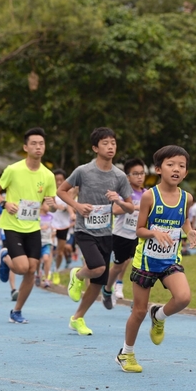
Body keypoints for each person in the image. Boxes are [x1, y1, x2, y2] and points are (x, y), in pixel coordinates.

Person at [115, 145, 196, 373]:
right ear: (159, 169)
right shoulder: (149, 196)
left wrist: (190, 232)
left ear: (186, 172)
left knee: (183, 297)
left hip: (170, 259)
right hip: (146, 261)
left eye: (181, 166)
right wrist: (154, 232)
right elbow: (139, 230)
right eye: (171, 165)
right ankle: (126, 353)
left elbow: (185, 221)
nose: (176, 169)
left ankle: (159, 315)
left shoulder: (187, 198)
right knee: (138, 311)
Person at [57, 127, 134, 336]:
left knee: (99, 282)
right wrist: (77, 206)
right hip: (84, 229)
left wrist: (117, 200)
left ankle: (77, 318)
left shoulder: (119, 176)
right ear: (95, 147)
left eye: (113, 143)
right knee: (99, 268)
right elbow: (61, 191)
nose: (110, 147)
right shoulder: (83, 171)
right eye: (105, 143)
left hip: (105, 232)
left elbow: (130, 206)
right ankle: (78, 274)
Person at [0, 127, 57, 324]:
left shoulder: (48, 175)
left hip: (33, 227)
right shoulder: (13, 170)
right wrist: (4, 203)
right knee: (21, 267)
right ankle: (4, 257)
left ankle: (17, 311)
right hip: (12, 225)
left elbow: (50, 205)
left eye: (41, 143)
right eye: (34, 143)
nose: (38, 147)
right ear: (25, 147)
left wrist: (52, 207)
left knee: (31, 269)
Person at [102, 158, 147, 309]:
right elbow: (115, 210)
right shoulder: (124, 192)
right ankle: (107, 289)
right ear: (128, 177)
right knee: (118, 267)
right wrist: (134, 207)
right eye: (136, 174)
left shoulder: (147, 194)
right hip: (121, 235)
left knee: (140, 268)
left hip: (139, 235)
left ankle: (138, 301)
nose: (140, 177)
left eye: (142, 173)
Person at [49, 169, 75, 284]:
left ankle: (55, 270)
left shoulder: (67, 192)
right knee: (49, 251)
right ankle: (46, 272)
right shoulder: (50, 191)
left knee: (59, 252)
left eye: (61, 180)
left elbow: (71, 206)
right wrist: (54, 206)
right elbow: (46, 207)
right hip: (51, 224)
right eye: (57, 180)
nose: (59, 182)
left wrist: (66, 209)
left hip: (64, 226)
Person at [38, 203, 54, 288]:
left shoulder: (51, 216)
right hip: (37, 241)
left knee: (46, 258)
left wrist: (53, 233)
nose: (49, 206)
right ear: (41, 205)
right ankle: (37, 274)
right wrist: (41, 228)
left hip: (47, 241)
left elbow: (53, 227)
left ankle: (46, 278)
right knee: (37, 261)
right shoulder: (37, 217)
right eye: (47, 204)